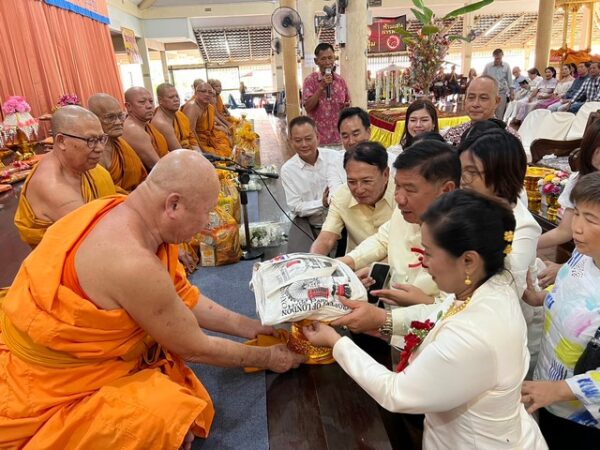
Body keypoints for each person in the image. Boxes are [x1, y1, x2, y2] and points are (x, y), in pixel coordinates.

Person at [0, 151, 305, 449]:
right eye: (206, 213)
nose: (207, 224)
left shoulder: (120, 209)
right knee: (167, 420)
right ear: (173, 205)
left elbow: (181, 297)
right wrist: (269, 358)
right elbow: (194, 347)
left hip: (77, 355)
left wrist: (250, 327)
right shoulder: (132, 262)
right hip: (52, 385)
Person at [303, 190, 547, 449]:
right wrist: (382, 327)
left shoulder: (473, 333)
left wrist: (337, 343)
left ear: (468, 260)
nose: (424, 262)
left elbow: (395, 392)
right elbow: (436, 325)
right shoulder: (489, 286)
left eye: (428, 253)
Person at [334, 141, 460, 334]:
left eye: (410, 189)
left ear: (446, 190)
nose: (399, 198)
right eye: (397, 187)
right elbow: (382, 239)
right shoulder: (406, 213)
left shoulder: (465, 238)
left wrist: (424, 302)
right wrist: (343, 264)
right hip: (393, 330)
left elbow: (459, 313)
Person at [522, 171, 600, 448]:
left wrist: (559, 390)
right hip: (550, 388)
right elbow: (573, 296)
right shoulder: (583, 256)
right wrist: (542, 298)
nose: (576, 227)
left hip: (582, 417)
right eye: (576, 213)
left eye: (591, 220)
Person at [458, 128, 543, 372]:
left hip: (499, 332)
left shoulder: (522, 228)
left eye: (472, 172)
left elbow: (504, 293)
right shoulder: (474, 205)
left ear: (501, 173)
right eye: (462, 170)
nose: (463, 180)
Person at [13, 106, 116, 248]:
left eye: (101, 139)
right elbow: (99, 240)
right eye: (91, 140)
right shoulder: (52, 187)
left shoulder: (79, 165)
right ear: (61, 141)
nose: (100, 148)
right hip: (69, 257)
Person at [537, 118, 600, 287]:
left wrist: (564, 269)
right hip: (580, 265)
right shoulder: (578, 180)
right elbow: (565, 231)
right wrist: (527, 243)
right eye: (597, 149)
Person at [310, 142, 394, 256]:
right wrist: (314, 259)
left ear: (385, 174)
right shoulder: (341, 196)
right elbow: (326, 238)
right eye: (352, 182)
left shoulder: (403, 196)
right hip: (355, 264)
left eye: (367, 181)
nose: (359, 190)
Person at [281, 116, 339, 253]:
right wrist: (322, 203)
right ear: (291, 141)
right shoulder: (288, 170)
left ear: (317, 137)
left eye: (308, 139)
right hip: (309, 227)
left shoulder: (335, 158)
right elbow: (296, 207)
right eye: (298, 140)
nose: (304, 144)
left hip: (340, 225)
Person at [87, 93, 147, 193]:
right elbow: (103, 190)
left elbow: (141, 176)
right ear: (93, 119)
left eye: (121, 116)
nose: (118, 122)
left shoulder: (121, 144)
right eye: (110, 117)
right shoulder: (92, 152)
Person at [442, 76, 519, 146]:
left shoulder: (510, 139)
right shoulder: (453, 134)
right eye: (471, 97)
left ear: (497, 102)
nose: (475, 104)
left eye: (483, 98)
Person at [302, 43, 351, 145]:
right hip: (318, 140)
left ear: (334, 58)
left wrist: (346, 106)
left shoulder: (340, 81)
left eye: (330, 58)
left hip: (339, 138)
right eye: (323, 59)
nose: (328, 62)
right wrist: (321, 87)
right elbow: (308, 107)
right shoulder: (310, 81)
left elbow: (347, 103)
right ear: (316, 61)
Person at [122, 86, 169, 171]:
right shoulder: (133, 129)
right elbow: (156, 165)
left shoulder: (145, 125)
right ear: (128, 106)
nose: (149, 106)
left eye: (151, 101)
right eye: (142, 102)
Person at [182, 80, 232, 157]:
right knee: (219, 156)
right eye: (203, 91)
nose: (207, 94)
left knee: (226, 143)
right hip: (196, 144)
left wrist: (224, 128)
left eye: (210, 92)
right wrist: (203, 151)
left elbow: (211, 127)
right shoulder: (192, 107)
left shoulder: (210, 107)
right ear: (195, 93)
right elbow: (190, 134)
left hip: (207, 140)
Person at [152, 83, 201, 152]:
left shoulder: (179, 115)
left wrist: (198, 152)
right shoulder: (161, 123)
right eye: (171, 97)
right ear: (160, 100)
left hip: (189, 151)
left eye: (177, 96)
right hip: (178, 155)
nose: (176, 100)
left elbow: (191, 137)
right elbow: (178, 151)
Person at [482, 48, 512, 119]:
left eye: (499, 58)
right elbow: (483, 78)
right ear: (493, 57)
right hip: (490, 92)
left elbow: (510, 80)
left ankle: (498, 125)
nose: (498, 60)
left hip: (502, 93)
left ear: (502, 56)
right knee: (488, 111)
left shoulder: (506, 66)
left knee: (500, 113)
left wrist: (512, 92)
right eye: (496, 58)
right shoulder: (488, 66)